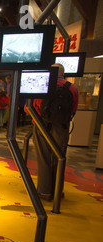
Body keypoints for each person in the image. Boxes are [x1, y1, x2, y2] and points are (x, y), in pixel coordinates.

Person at [32, 63, 78, 201]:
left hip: (41, 124)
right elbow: (73, 109)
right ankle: (57, 190)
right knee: (59, 157)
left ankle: (44, 191)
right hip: (61, 126)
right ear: (63, 73)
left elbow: (35, 105)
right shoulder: (72, 87)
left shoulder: (43, 84)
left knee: (43, 156)